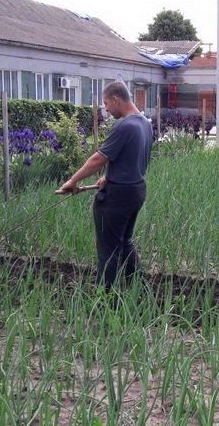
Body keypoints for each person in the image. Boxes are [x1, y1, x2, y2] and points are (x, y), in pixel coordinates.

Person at [55, 81, 152, 290]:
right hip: (135, 190)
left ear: (116, 99)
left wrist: (73, 181)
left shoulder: (125, 125)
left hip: (117, 198)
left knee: (108, 250)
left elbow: (99, 158)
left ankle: (106, 300)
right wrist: (110, 177)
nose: (106, 109)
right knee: (124, 243)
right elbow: (135, 159)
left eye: (107, 103)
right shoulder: (145, 123)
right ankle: (139, 290)